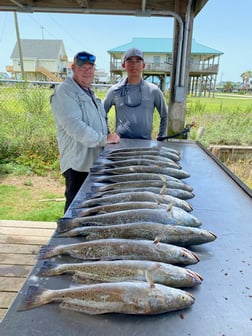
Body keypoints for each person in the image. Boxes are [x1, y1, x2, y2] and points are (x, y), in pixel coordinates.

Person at [50, 51, 120, 213]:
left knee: (91, 208)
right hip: (78, 165)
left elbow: (100, 122)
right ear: (73, 68)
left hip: (93, 162)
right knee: (75, 208)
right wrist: (104, 139)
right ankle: (66, 237)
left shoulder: (89, 93)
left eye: (90, 67)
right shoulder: (65, 92)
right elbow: (75, 126)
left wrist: (109, 139)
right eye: (82, 68)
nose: (87, 71)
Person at [103, 48, 168, 139]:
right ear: (123, 65)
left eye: (138, 61)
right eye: (130, 61)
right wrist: (107, 134)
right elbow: (101, 113)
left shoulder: (153, 90)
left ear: (143, 65)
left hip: (145, 143)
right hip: (120, 143)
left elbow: (165, 115)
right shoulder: (115, 90)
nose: (134, 65)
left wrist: (161, 137)